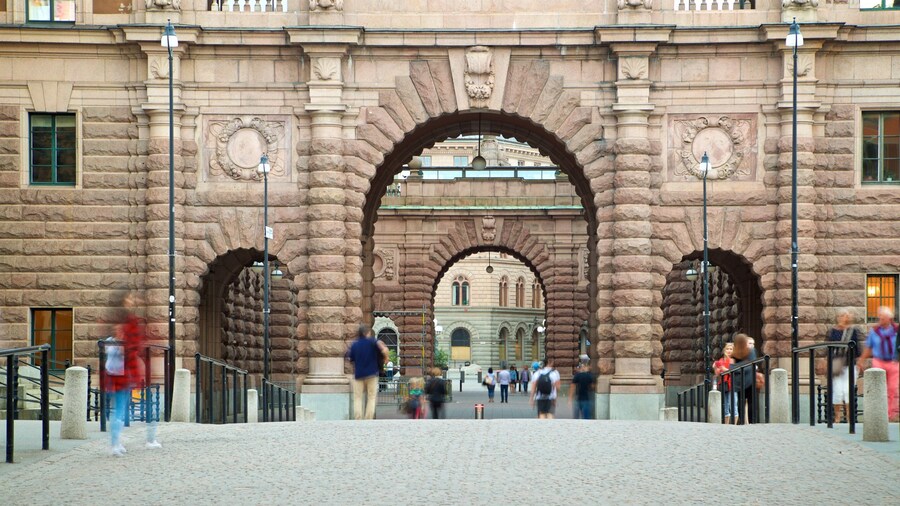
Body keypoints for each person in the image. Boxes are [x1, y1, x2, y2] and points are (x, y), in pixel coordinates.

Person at [106, 290, 160, 456]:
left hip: (122, 374)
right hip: (121, 375)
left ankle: (119, 443)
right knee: (121, 408)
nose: (133, 301)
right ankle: (117, 444)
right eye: (130, 298)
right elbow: (127, 352)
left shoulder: (123, 326)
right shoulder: (124, 326)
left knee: (123, 407)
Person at [858, 306, 899, 422]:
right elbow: (869, 347)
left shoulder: (896, 330)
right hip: (879, 361)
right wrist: (861, 360)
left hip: (893, 362)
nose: (880, 319)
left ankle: (890, 415)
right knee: (878, 388)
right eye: (879, 317)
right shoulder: (875, 331)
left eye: (882, 317)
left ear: (889, 318)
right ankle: (877, 413)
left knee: (892, 389)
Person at [345, 324, 388, 420]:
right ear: (367, 333)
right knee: (371, 397)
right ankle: (368, 418)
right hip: (372, 374)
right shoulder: (373, 342)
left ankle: (358, 418)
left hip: (358, 374)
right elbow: (385, 350)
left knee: (357, 397)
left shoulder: (355, 344)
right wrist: (386, 358)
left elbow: (350, 358)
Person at [827, 308, 862, 423]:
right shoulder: (833, 331)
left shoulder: (853, 331)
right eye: (840, 316)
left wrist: (859, 362)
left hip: (850, 364)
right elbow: (828, 348)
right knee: (837, 391)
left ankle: (849, 417)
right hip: (837, 364)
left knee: (848, 391)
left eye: (844, 316)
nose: (841, 318)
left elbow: (857, 349)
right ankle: (837, 417)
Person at [731, 333, 758, 424]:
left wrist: (737, 367)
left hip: (739, 381)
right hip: (750, 380)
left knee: (741, 402)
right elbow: (752, 363)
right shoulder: (751, 351)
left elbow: (731, 367)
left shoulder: (734, 354)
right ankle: (752, 422)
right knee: (751, 402)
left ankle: (742, 421)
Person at [713, 342, 737, 425]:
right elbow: (717, 374)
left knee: (733, 404)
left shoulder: (734, 360)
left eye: (731, 349)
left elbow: (735, 371)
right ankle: (726, 425)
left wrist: (723, 369)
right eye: (727, 349)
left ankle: (734, 425)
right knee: (725, 405)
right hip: (723, 384)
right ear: (724, 350)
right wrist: (716, 367)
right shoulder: (721, 360)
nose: (729, 351)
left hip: (732, 384)